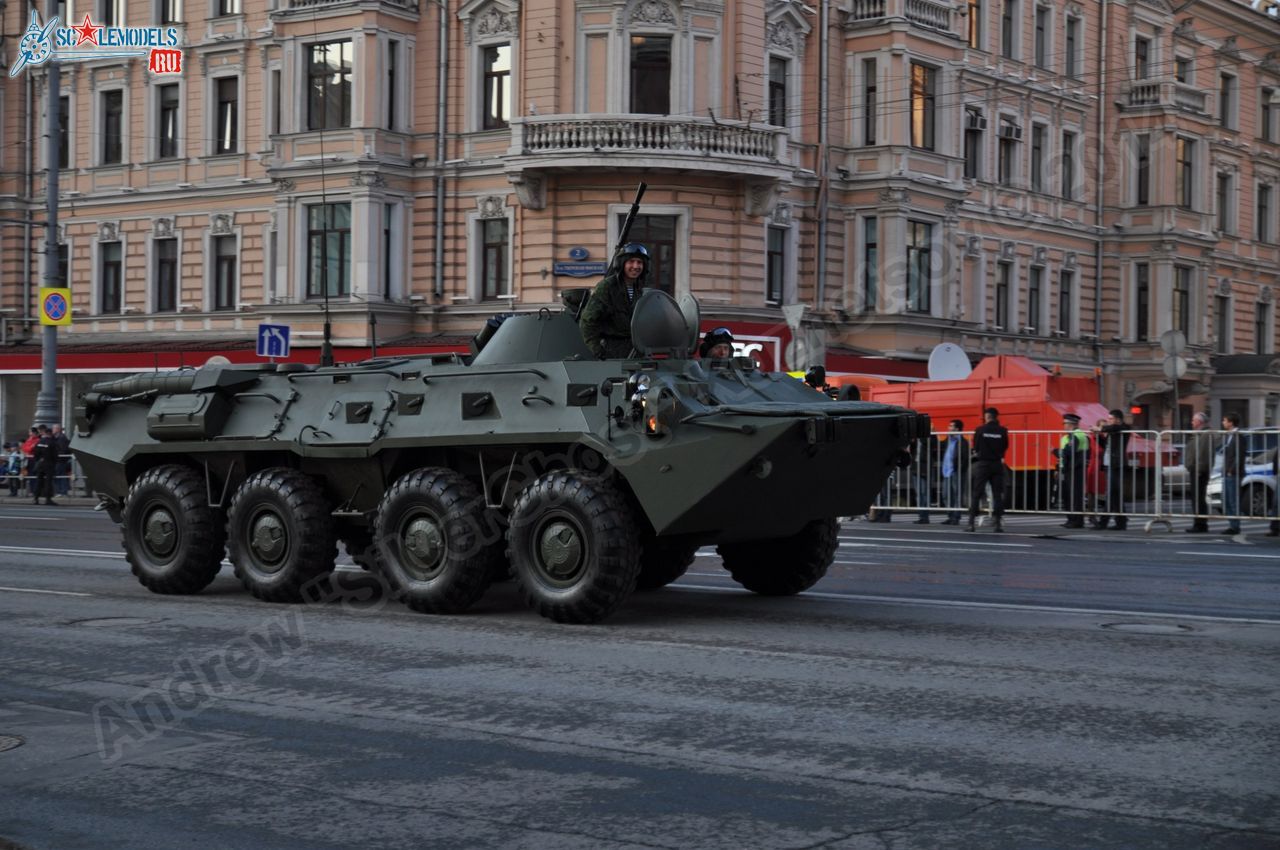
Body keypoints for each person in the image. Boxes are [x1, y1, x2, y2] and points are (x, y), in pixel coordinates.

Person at [579, 243, 650, 359]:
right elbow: (587, 321)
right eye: (631, 262)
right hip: (612, 350)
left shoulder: (640, 289)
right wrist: (598, 351)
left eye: (639, 262)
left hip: (636, 350)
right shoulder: (607, 287)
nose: (636, 266)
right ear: (622, 264)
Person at [967, 407, 1009, 533]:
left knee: (977, 493)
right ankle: (998, 524)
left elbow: (976, 446)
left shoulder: (980, 430)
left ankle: (971, 524)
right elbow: (1005, 446)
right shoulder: (1002, 431)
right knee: (997, 494)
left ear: (987, 417)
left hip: (983, 464)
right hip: (997, 464)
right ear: (996, 417)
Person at [1096, 409, 1131, 530]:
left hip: (1116, 464)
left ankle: (1103, 522)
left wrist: (1101, 428)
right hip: (1108, 463)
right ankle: (1121, 522)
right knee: (1114, 494)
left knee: (1111, 493)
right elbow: (1105, 445)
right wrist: (1097, 435)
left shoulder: (1123, 427)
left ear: (1117, 419)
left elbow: (1115, 428)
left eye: (1110, 419)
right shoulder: (1112, 430)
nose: (1108, 421)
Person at [1055, 413, 1090, 528]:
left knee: (1075, 496)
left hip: (1076, 469)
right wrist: (1058, 468)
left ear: (1072, 424)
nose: (1064, 426)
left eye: (1065, 423)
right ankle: (1071, 519)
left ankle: (1077, 521)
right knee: (1067, 495)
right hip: (1067, 469)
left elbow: (1068, 452)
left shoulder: (1078, 435)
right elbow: (1063, 455)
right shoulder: (1066, 437)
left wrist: (1055, 451)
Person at [1183, 412, 1214, 533]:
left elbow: (1203, 452)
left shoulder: (1205, 434)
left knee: (1199, 498)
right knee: (1196, 498)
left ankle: (1200, 524)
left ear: (1199, 422)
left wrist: (1200, 469)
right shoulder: (1198, 434)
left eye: (1193, 420)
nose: (1191, 422)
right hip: (1195, 468)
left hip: (1199, 469)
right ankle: (1198, 522)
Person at [938, 419, 970, 525]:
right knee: (946, 495)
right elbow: (938, 446)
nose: (949, 428)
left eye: (951, 426)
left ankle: (956, 517)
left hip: (956, 472)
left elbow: (965, 458)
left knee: (957, 495)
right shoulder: (948, 440)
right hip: (947, 472)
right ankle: (950, 516)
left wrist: (959, 470)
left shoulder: (963, 442)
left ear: (957, 429)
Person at [1219, 412, 1245, 535]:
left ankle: (1235, 526)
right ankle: (1232, 524)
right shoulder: (1228, 435)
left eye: (1225, 420)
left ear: (1231, 422)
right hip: (1227, 472)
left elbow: (1239, 455)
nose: (1223, 423)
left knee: (1233, 500)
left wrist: (1231, 470)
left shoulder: (1238, 436)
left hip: (1233, 473)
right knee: (1227, 500)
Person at [1085, 418, 1107, 527]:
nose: (1102, 429)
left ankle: (1102, 517)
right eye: (1101, 426)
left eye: (1104, 427)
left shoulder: (1102, 437)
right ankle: (1092, 516)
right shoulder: (1095, 437)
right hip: (1095, 467)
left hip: (1101, 467)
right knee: (1092, 492)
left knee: (1101, 493)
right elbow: (1099, 451)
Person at [911, 434, 937, 523]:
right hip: (915, 466)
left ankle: (925, 516)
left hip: (925, 467)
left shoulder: (930, 436)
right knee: (918, 494)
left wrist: (922, 435)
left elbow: (932, 445)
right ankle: (921, 516)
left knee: (925, 493)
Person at [32, 424, 58, 506]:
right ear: (50, 433)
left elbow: (35, 453)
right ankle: (48, 499)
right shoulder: (52, 442)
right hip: (49, 464)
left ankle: (35, 498)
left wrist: (39, 460)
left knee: (39, 481)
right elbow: (55, 455)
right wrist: (54, 463)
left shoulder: (39, 442)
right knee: (48, 482)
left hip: (40, 464)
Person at [51, 424, 71, 496]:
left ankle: (62, 491)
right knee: (59, 475)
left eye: (54, 428)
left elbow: (63, 450)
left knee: (61, 475)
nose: (52, 430)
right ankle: (60, 491)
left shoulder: (62, 438)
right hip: (59, 460)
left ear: (58, 429)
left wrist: (56, 455)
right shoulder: (56, 437)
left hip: (61, 460)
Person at [21, 426, 39, 496]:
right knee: (30, 475)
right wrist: (29, 448)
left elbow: (30, 449)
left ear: (34, 433)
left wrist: (29, 448)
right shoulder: (29, 440)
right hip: (29, 459)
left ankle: (35, 491)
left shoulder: (37, 440)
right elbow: (24, 448)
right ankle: (32, 490)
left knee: (34, 475)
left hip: (34, 459)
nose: (29, 433)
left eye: (30, 432)